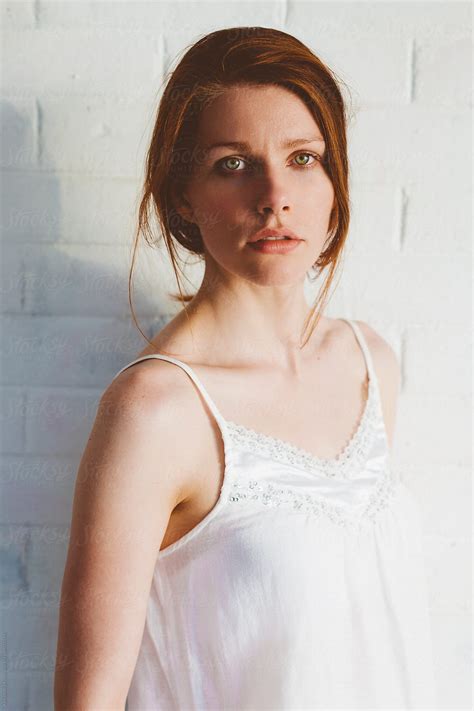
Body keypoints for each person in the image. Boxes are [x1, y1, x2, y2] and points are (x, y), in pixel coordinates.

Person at [54, 27, 437, 710]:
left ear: (334, 178)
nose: (274, 195)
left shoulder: (370, 364)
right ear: (181, 195)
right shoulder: (155, 410)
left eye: (303, 158)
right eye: (233, 164)